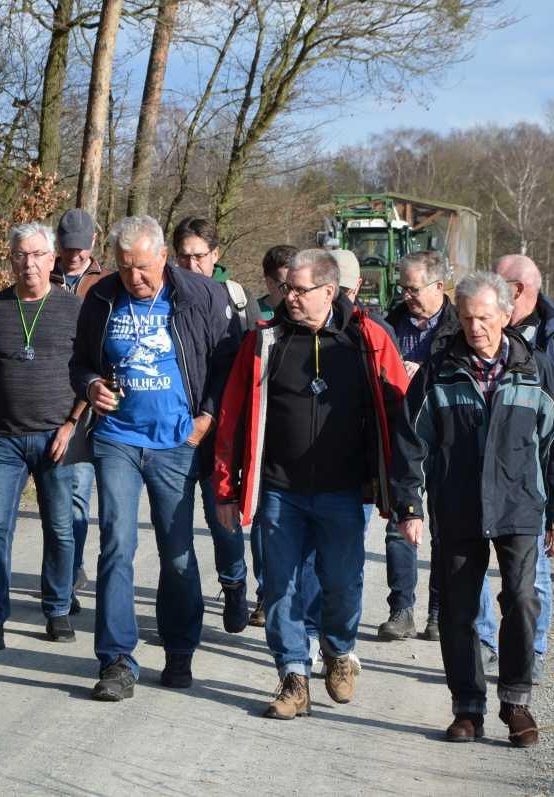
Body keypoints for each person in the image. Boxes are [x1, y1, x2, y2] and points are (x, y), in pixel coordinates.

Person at [213, 248, 407, 720]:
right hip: (280, 490)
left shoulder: (368, 339)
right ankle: (293, 677)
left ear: (329, 291)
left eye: (300, 290)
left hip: (345, 492)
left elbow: (400, 417)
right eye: (286, 288)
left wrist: (403, 492)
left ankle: (339, 651)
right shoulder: (265, 342)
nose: (289, 297)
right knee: (279, 586)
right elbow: (232, 416)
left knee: (341, 584)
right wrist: (226, 487)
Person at [392, 272, 554, 747]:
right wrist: (410, 505)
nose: (475, 327)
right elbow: (410, 442)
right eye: (466, 318)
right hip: (456, 508)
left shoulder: (537, 370)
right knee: (458, 612)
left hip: (520, 506)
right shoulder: (439, 370)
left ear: (504, 315)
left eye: (483, 317)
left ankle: (516, 702)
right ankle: (467, 709)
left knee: (521, 601)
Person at [70, 215, 239, 701]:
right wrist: (92, 386)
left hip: (177, 443)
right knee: (116, 544)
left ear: (163, 257)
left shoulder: (202, 296)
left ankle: (180, 649)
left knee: (177, 549)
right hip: (118, 439)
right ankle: (117, 660)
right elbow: (79, 362)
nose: (134, 278)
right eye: (125, 269)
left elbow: (226, 364)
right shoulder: (102, 297)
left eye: (142, 268)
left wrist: (207, 417)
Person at [0, 222, 83, 649]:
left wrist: (72, 424)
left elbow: (93, 372)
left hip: (57, 437)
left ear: (53, 260)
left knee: (60, 528)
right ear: (10, 260)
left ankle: (58, 609)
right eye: (20, 256)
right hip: (4, 439)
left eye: (37, 255)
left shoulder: (74, 309)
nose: (28, 264)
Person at [477, 253, 554, 682]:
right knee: (473, 560)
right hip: (487, 466)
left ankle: (533, 649)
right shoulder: (480, 324)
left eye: (497, 280)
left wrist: (537, 426)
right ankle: (485, 642)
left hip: (539, 467)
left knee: (536, 569)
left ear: (517, 289)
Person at [171, 216, 260, 634]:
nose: (191, 265)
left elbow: (239, 370)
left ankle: (234, 583)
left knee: (221, 519)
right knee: (173, 526)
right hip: (171, 431)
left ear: (216, 256)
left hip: (219, 432)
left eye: (199, 256)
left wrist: (214, 417)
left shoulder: (235, 300)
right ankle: (182, 607)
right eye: (184, 257)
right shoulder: (163, 297)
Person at [382, 250, 461, 642]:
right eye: (403, 288)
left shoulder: (460, 326)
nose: (407, 295)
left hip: (446, 438)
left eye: (414, 289)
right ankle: (401, 609)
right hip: (401, 434)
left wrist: (424, 375)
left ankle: (437, 612)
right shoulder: (390, 323)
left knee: (446, 529)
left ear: (439, 287)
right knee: (401, 525)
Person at [50, 208, 104, 613]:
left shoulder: (105, 285)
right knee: (61, 497)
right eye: (67, 249)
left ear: (92, 245)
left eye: (80, 249)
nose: (73, 257)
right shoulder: (40, 274)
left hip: (90, 405)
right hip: (48, 397)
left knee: (78, 498)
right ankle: (64, 577)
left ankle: (69, 575)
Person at [246, 244, 297, 627]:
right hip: (259, 430)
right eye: (282, 284)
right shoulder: (255, 315)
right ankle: (265, 592)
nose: (289, 293)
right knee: (264, 519)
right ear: (268, 282)